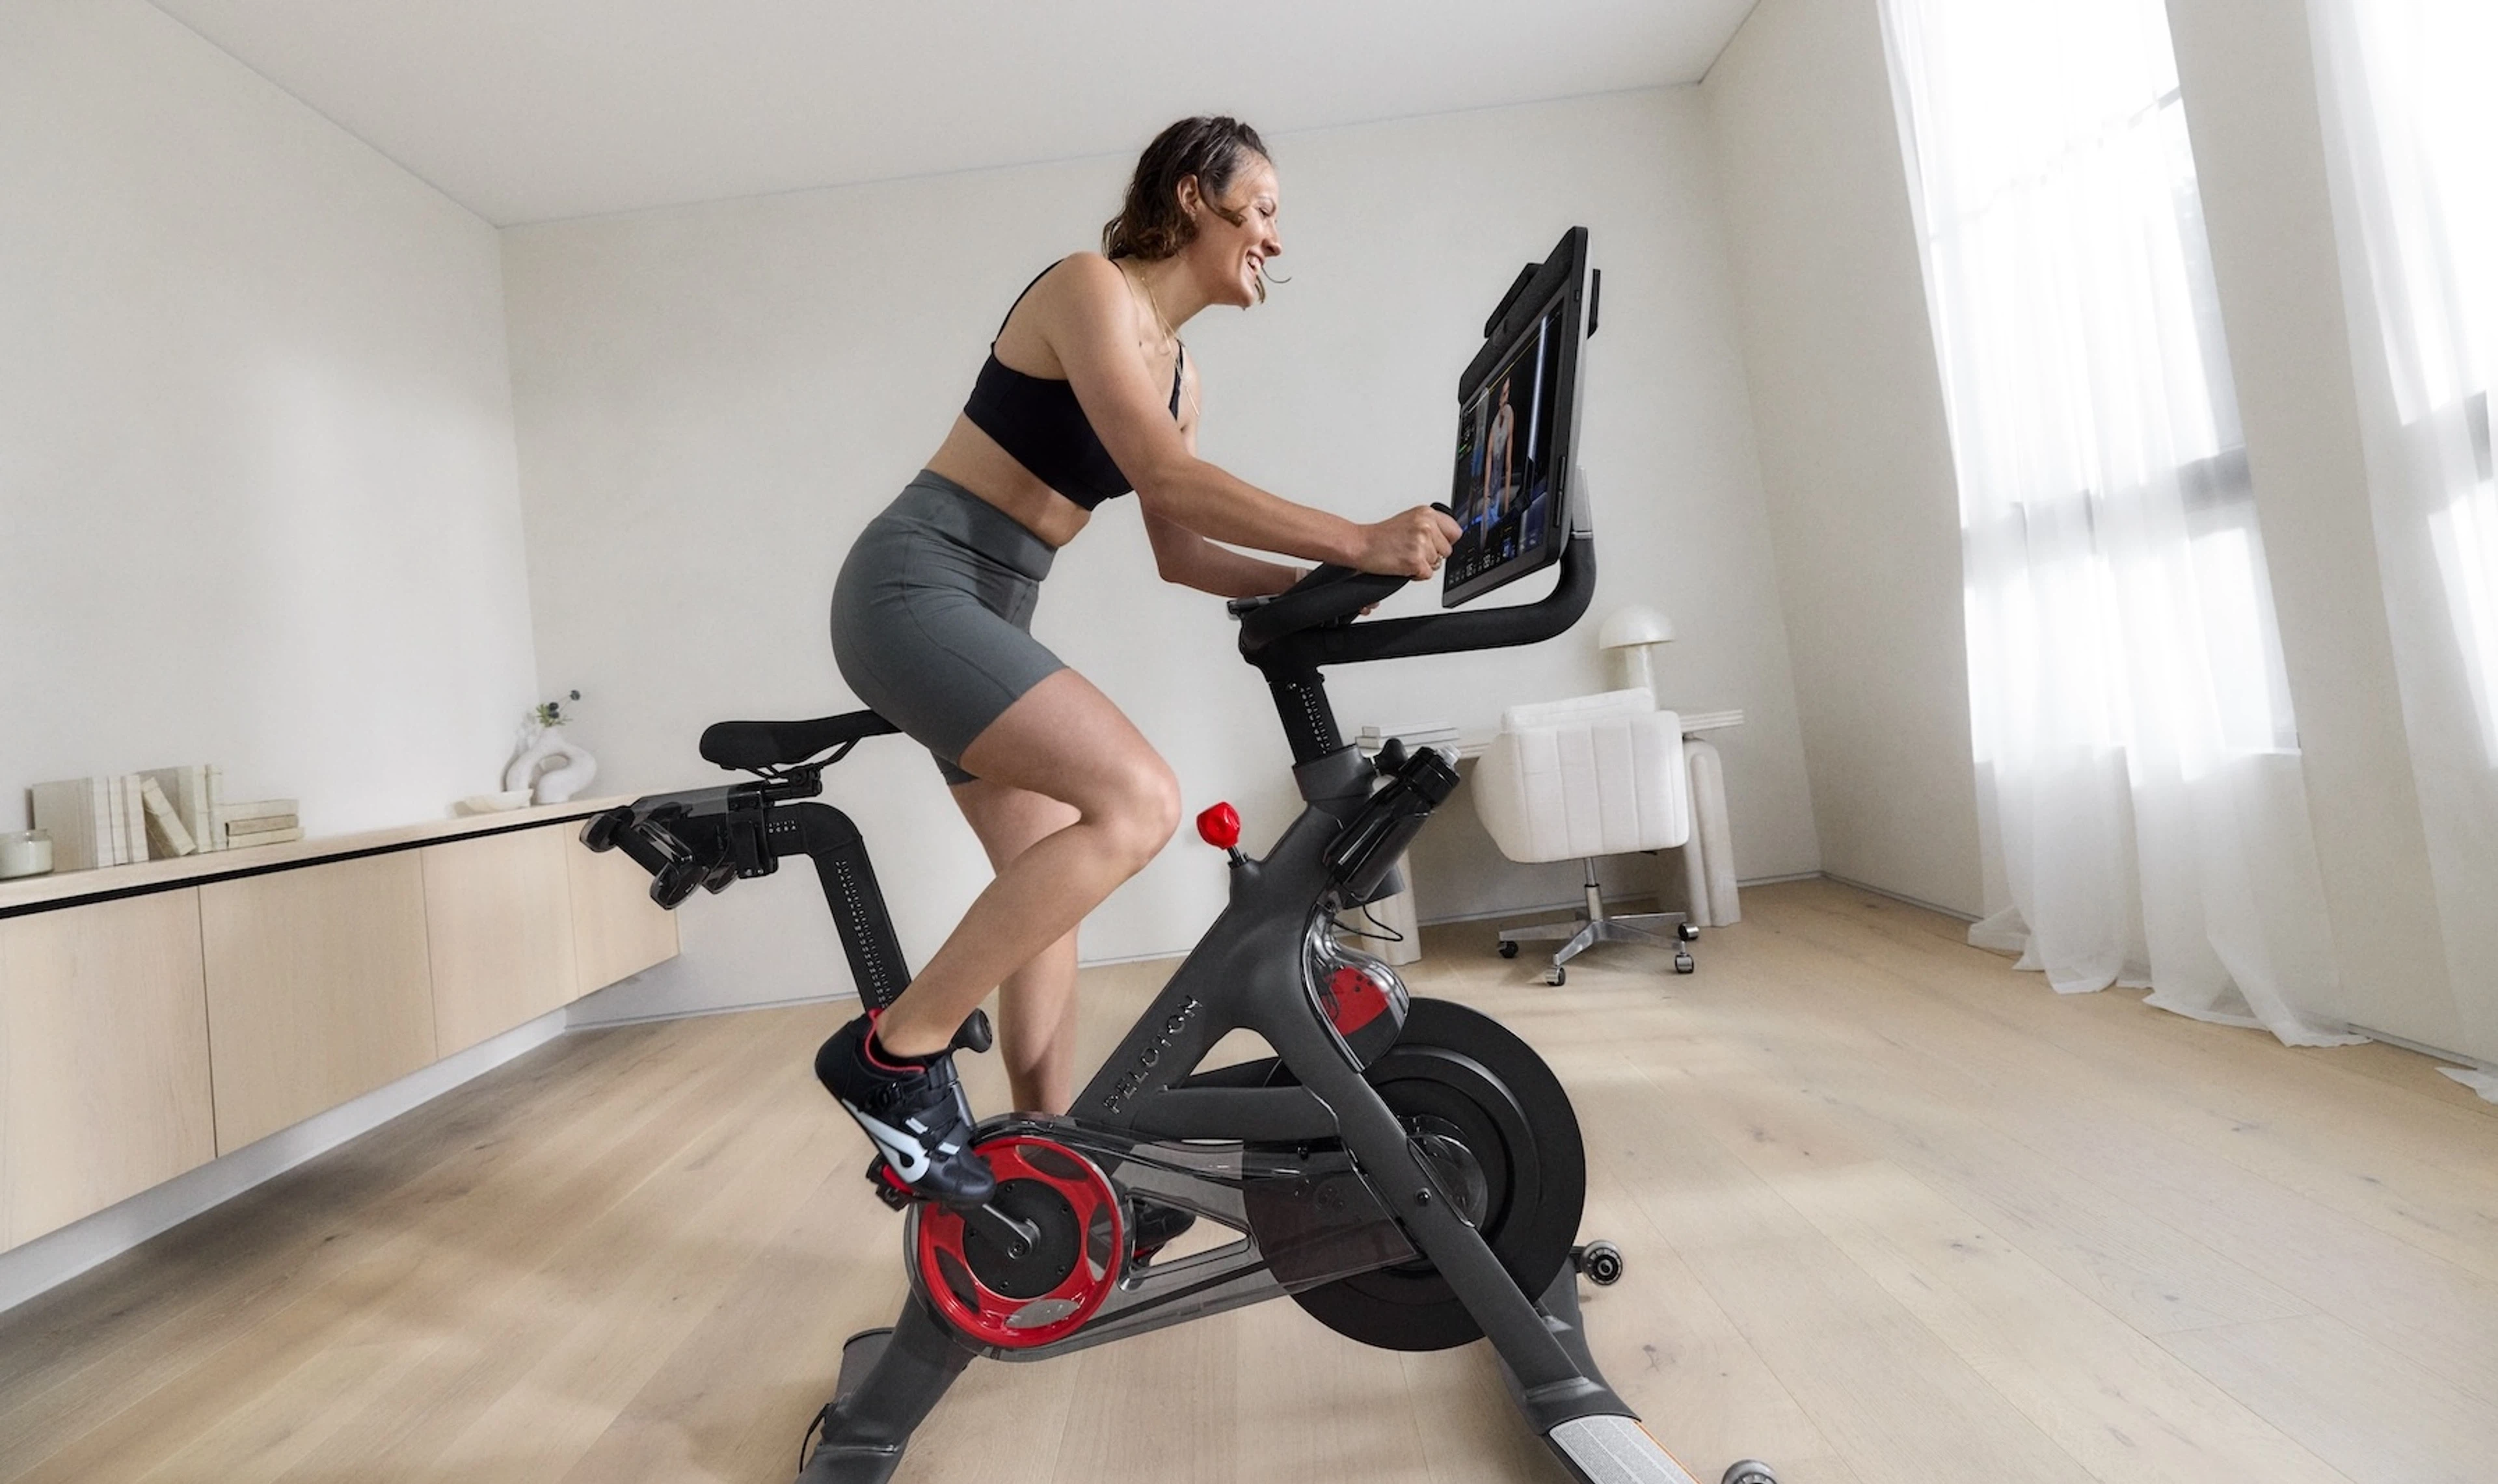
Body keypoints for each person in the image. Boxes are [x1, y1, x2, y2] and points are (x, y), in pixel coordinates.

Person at [817, 116, 1460, 1206]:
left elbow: (1182, 551)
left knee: (1053, 884)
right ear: (1193, 197)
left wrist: (1321, 590)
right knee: (1138, 802)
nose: (1274, 239)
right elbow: (1165, 484)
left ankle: (1041, 1152)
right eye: (1260, 210)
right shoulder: (1087, 290)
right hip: (911, 588)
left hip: (986, 613)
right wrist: (1354, 536)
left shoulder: (1182, 376)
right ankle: (892, 1054)